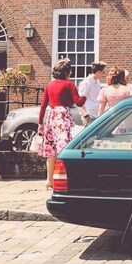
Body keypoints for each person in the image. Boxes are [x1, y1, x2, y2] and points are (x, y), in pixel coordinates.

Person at [39, 58, 87, 190]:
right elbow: (79, 102)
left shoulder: (49, 85)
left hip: (51, 116)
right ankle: (62, 179)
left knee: (51, 150)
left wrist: (40, 123)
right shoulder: (69, 85)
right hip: (63, 116)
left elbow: (43, 106)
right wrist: (85, 96)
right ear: (67, 72)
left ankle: (49, 180)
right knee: (64, 148)